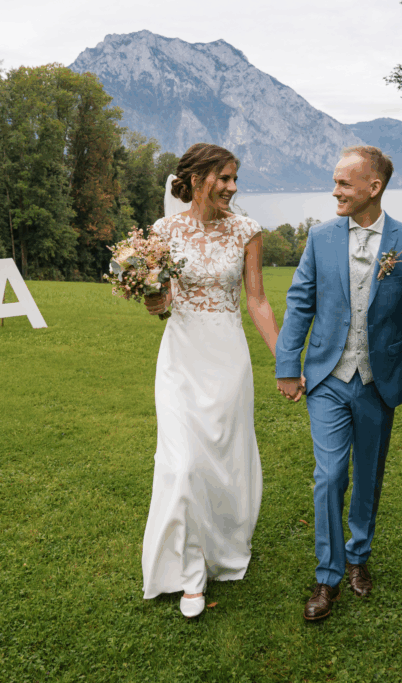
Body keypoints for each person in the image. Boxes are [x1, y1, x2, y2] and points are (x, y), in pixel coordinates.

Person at [275, 145, 402, 621]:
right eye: (335, 181)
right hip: (327, 376)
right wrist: (289, 364)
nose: (336, 190)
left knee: (367, 476)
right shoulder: (320, 237)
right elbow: (300, 301)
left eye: (345, 183)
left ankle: (358, 558)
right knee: (329, 475)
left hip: (377, 380)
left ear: (374, 187)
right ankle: (327, 578)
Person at [141, 143, 281, 618]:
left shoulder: (247, 231)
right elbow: (160, 301)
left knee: (222, 460)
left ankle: (221, 547)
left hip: (228, 358)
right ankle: (189, 573)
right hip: (181, 358)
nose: (233, 187)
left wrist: (285, 361)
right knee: (180, 465)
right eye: (224, 178)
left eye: (235, 178)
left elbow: (257, 302)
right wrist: (151, 298)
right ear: (198, 179)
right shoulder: (163, 231)